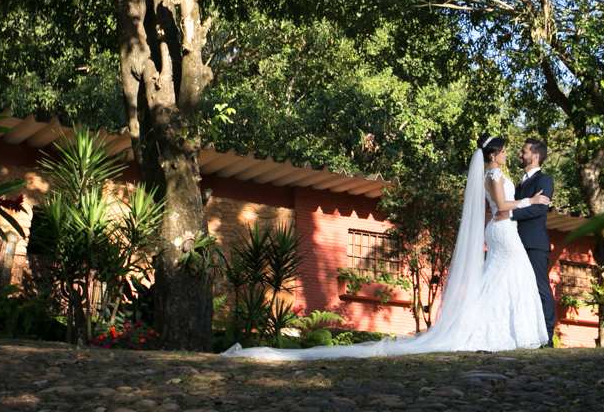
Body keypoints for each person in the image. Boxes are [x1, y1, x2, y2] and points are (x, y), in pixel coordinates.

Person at [219, 134, 550, 361]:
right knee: (509, 278)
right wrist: (530, 200)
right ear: (493, 154)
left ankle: (500, 331)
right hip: (504, 229)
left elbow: (491, 210)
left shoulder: (490, 174)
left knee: (499, 280)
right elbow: (504, 207)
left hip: (497, 230)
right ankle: (503, 333)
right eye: (505, 150)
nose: (509, 155)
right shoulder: (494, 173)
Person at [498, 137, 556, 346]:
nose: (520, 155)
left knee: (541, 288)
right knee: (520, 289)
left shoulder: (544, 180)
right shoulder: (521, 183)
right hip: (515, 243)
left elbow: (540, 209)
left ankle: (548, 336)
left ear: (536, 156)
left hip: (534, 243)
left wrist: (510, 215)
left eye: (524, 152)